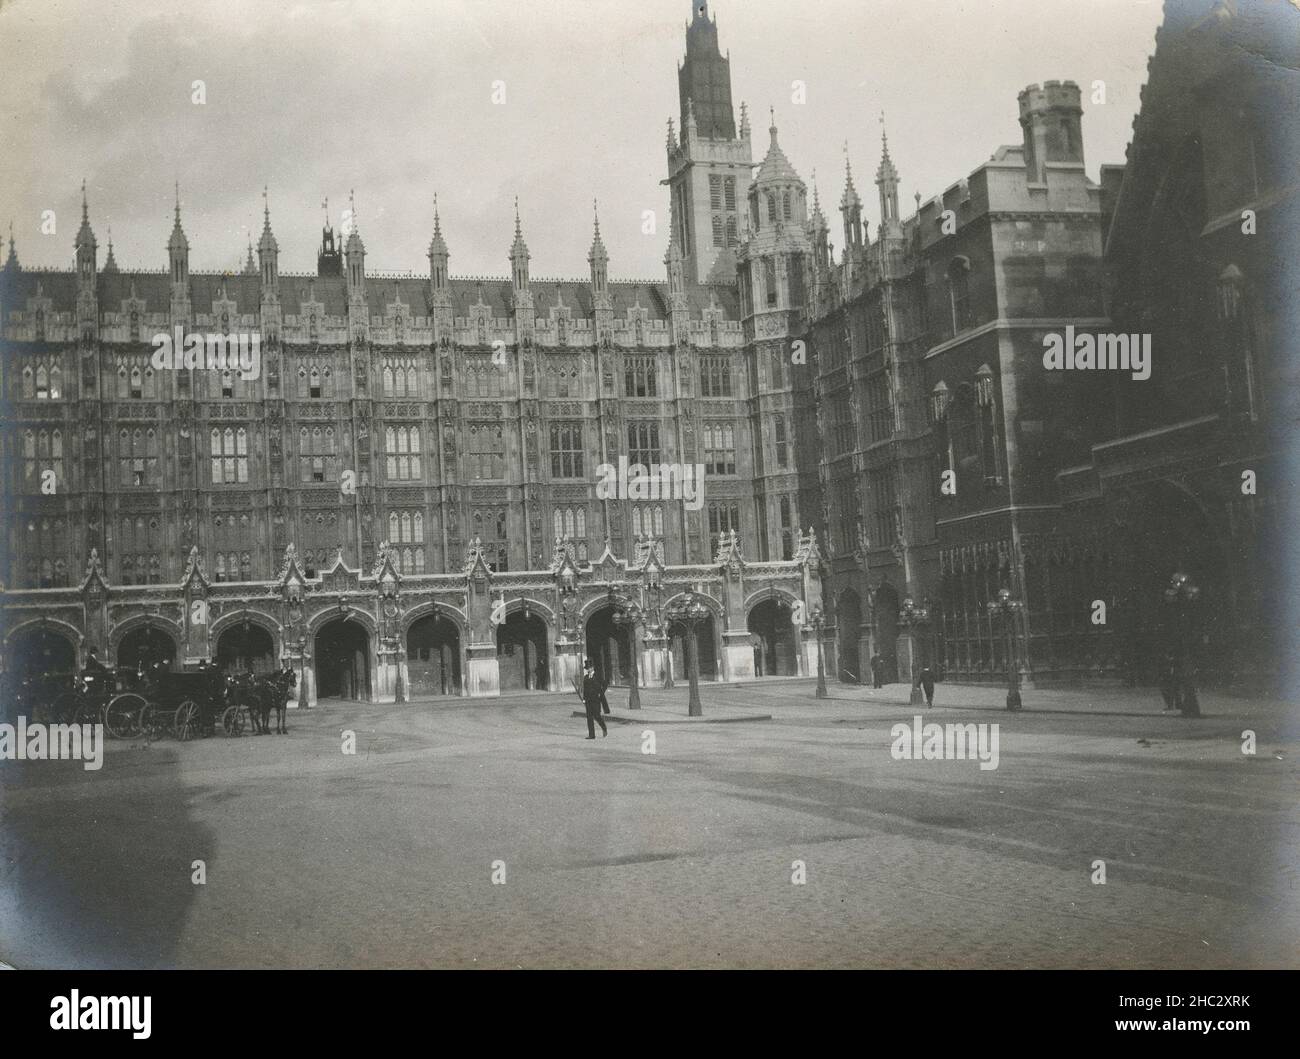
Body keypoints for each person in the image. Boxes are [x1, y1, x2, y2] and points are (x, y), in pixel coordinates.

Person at [581, 658, 608, 740]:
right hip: (588, 700)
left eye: (589, 668)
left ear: (592, 668)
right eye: (587, 668)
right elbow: (585, 689)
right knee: (589, 717)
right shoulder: (586, 677)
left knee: (597, 715)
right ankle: (591, 735)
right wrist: (584, 698)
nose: (588, 670)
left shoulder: (598, 676)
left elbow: (605, 684)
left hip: (596, 699)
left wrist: (601, 693)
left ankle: (604, 727)